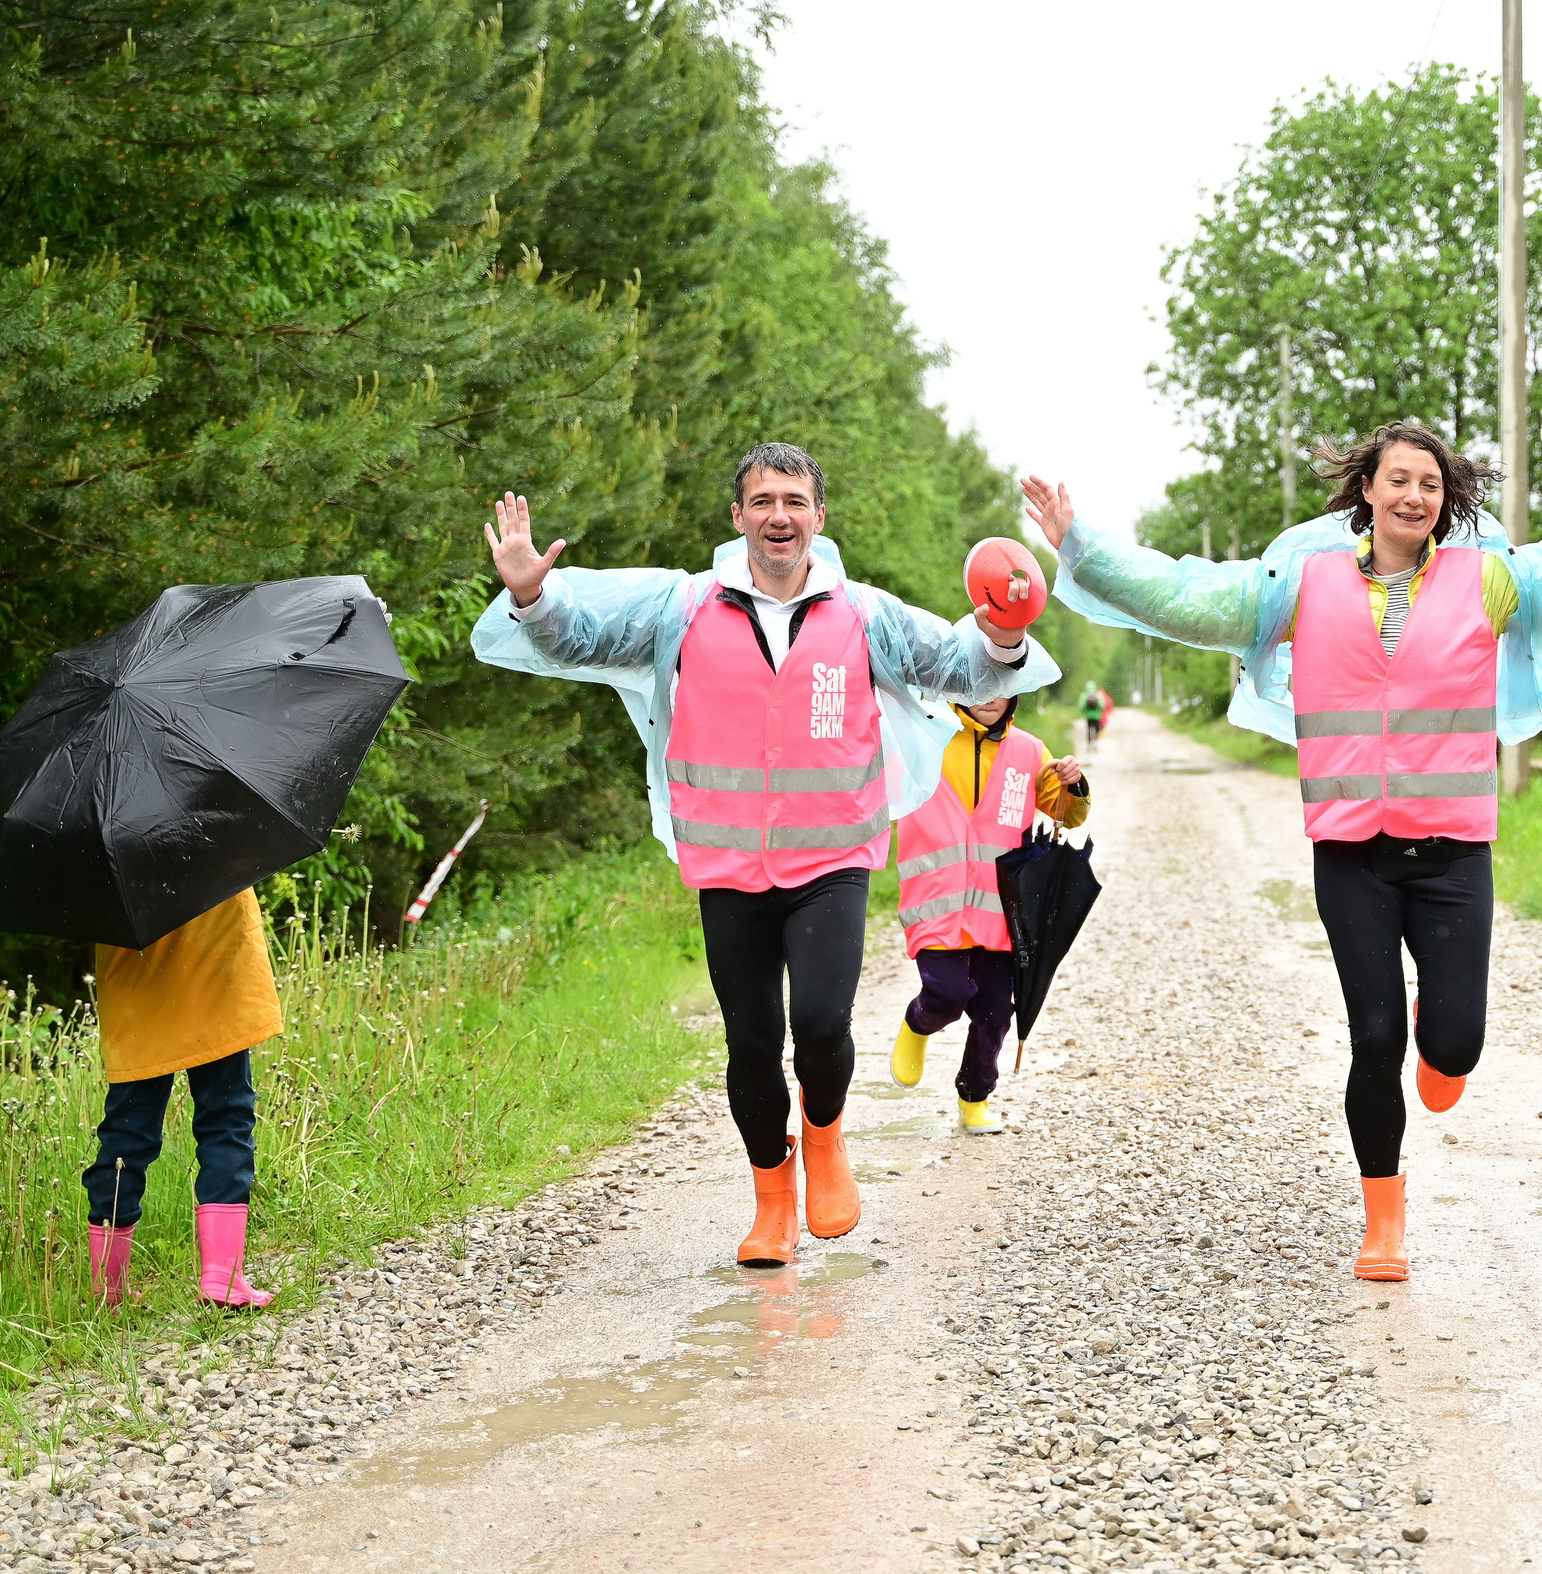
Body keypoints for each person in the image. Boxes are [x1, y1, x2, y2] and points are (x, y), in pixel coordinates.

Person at [1021, 422, 1542, 1282]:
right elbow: (1190, 598)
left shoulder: (1494, 582)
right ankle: (1384, 1224)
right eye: (1398, 480)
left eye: (1429, 485)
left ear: (1446, 501)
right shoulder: (1302, 584)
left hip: (1451, 852)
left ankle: (1439, 1039)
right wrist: (1086, 554)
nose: (1413, 496)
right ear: (1367, 490)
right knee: (1372, 1041)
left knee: (1454, 1046)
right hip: (1352, 850)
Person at [472, 444, 1058, 1267]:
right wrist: (530, 590)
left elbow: (954, 666)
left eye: (794, 500)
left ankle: (823, 1139)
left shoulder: (864, 613)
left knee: (819, 1027)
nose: (778, 514)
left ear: (820, 517)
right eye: (762, 501)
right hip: (726, 864)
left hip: (832, 861)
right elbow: (580, 639)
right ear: (737, 517)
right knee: (749, 1044)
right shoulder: (681, 609)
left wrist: (1003, 631)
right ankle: (771, 1196)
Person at [887, 694, 1090, 1130]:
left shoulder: (1030, 751)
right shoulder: (925, 737)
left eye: (998, 687)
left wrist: (1074, 783)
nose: (987, 698)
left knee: (996, 1011)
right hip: (936, 903)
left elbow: (1066, 814)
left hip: (1000, 913)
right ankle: (918, 1023)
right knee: (947, 994)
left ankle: (975, 1095)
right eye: (977, 684)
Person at [85, 889, 283, 1309]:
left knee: (125, 1134)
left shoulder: (104, 838)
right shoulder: (217, 824)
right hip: (216, 969)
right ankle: (221, 1278)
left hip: (139, 989)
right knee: (226, 1119)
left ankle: (108, 1288)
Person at [1080, 681, 1113, 752]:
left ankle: (1089, 745)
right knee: (1096, 730)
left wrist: (1085, 712)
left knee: (1089, 730)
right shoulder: (1098, 695)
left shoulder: (1084, 695)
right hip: (1097, 716)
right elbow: (1102, 705)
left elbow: (1081, 706)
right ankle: (1095, 743)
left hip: (1088, 716)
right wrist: (1099, 712)